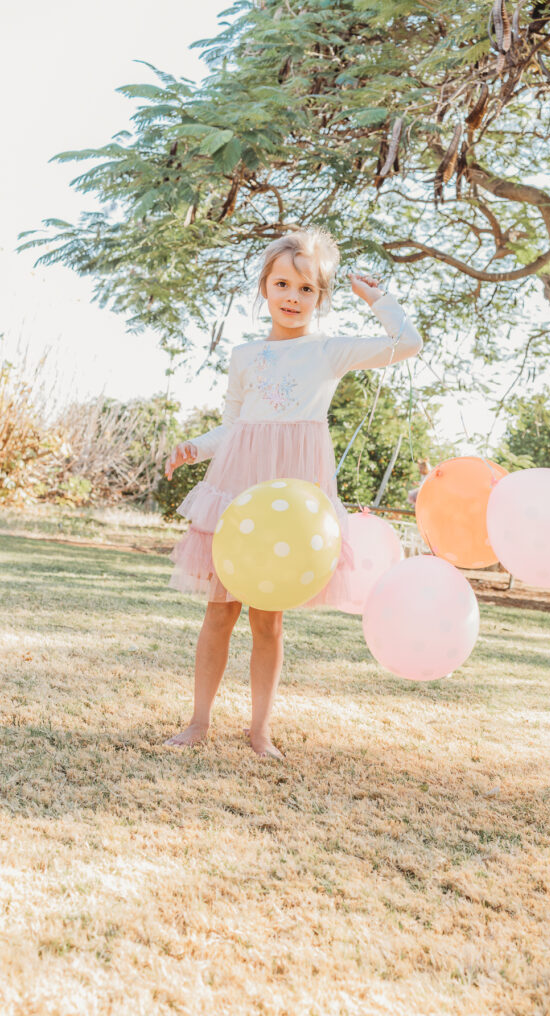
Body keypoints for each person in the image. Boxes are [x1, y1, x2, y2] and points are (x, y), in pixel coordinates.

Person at [163, 227, 423, 759]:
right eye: (282, 284)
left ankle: (259, 731)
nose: (292, 298)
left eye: (306, 290)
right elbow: (235, 425)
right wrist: (195, 447)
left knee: (268, 618)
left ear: (321, 298)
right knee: (219, 610)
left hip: (292, 499)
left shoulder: (327, 352)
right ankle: (198, 722)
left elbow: (408, 344)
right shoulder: (244, 355)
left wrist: (379, 299)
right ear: (264, 287)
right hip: (239, 487)